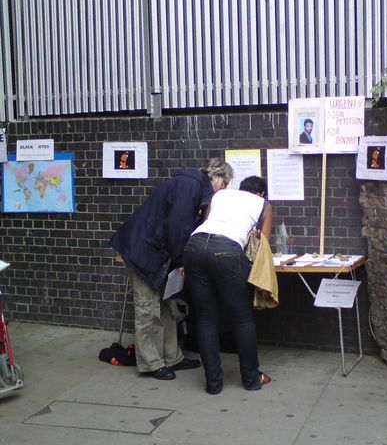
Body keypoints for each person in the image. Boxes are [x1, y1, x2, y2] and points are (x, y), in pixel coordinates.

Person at [109, 158, 234, 380]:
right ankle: (151, 363)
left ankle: (171, 356)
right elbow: (178, 227)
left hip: (155, 250)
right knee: (148, 307)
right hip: (143, 251)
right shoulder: (191, 185)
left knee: (167, 306)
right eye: (225, 185)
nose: (223, 191)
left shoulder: (193, 185)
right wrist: (181, 261)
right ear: (217, 177)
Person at [182, 176, 273, 394]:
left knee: (206, 319)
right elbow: (263, 246)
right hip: (228, 250)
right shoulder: (264, 205)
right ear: (261, 193)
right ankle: (252, 379)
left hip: (194, 247)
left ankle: (213, 384)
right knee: (242, 319)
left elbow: (207, 222)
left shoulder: (220, 195)